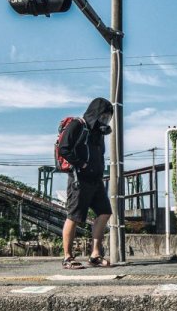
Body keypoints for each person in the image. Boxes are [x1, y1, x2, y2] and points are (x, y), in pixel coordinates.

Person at [58, 97, 114, 269]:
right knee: (74, 216)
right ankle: (68, 258)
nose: (105, 120)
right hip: (79, 179)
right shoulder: (77, 125)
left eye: (107, 118)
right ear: (95, 113)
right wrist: (81, 164)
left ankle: (95, 255)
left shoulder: (98, 132)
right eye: (103, 116)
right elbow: (63, 148)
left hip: (96, 180)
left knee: (104, 212)